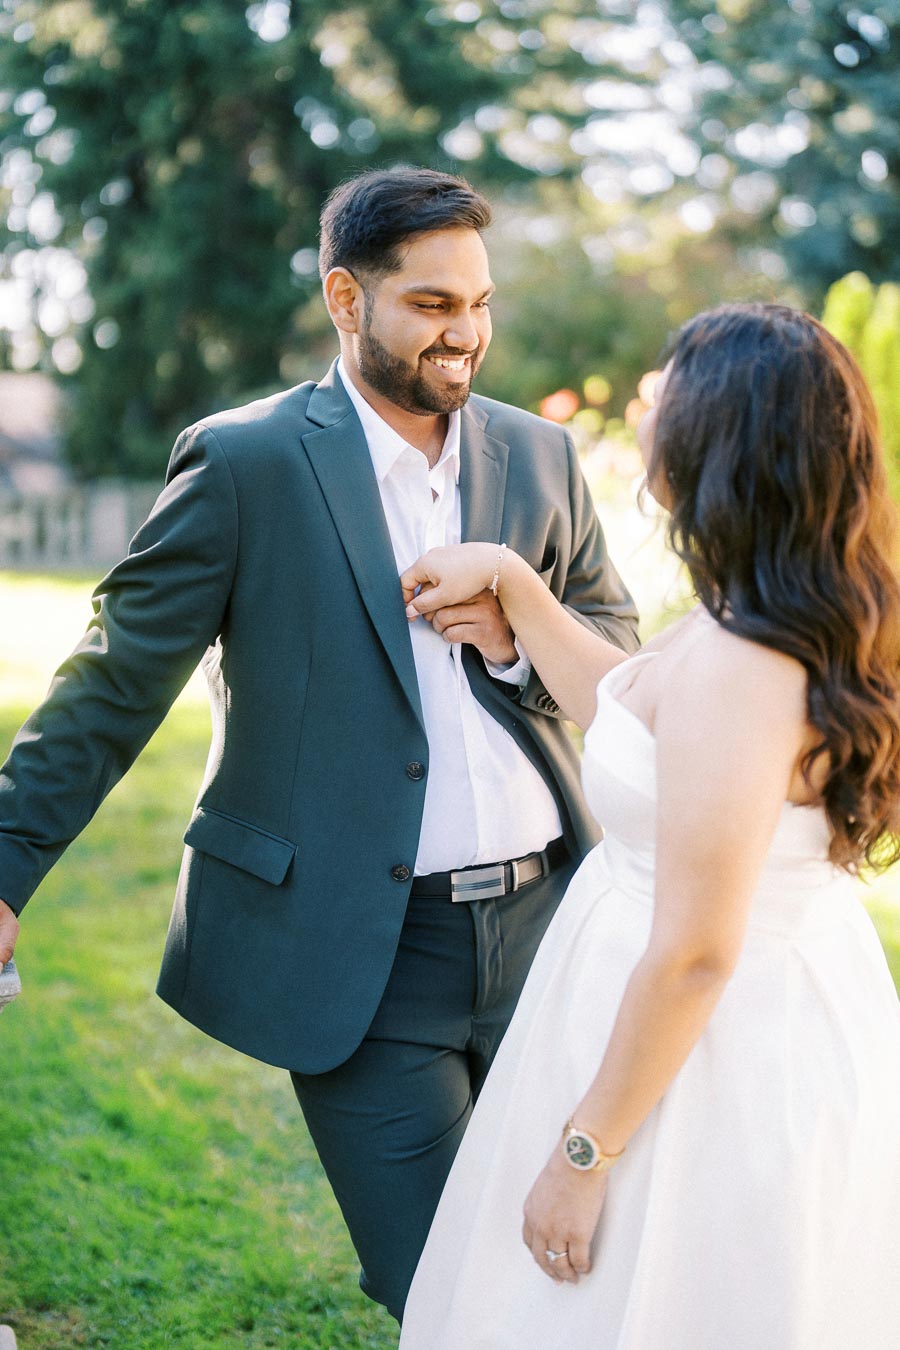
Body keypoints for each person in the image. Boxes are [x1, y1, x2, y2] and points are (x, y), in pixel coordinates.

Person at [0, 167, 639, 1321]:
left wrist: (513, 635)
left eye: (481, 302)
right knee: (442, 1289)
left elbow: (619, 655)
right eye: (434, 305)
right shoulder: (246, 464)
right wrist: (3, 866)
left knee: (584, 1273)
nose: (468, 333)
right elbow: (112, 681)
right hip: (365, 951)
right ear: (347, 300)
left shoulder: (538, 459)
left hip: (556, 932)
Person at [397, 302, 900, 1349]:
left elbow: (695, 953)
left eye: (667, 383)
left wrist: (584, 1155)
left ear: (721, 435)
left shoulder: (746, 666)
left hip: (707, 1054)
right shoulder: (761, 614)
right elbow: (640, 715)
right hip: (693, 1014)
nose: (646, 399)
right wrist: (522, 594)